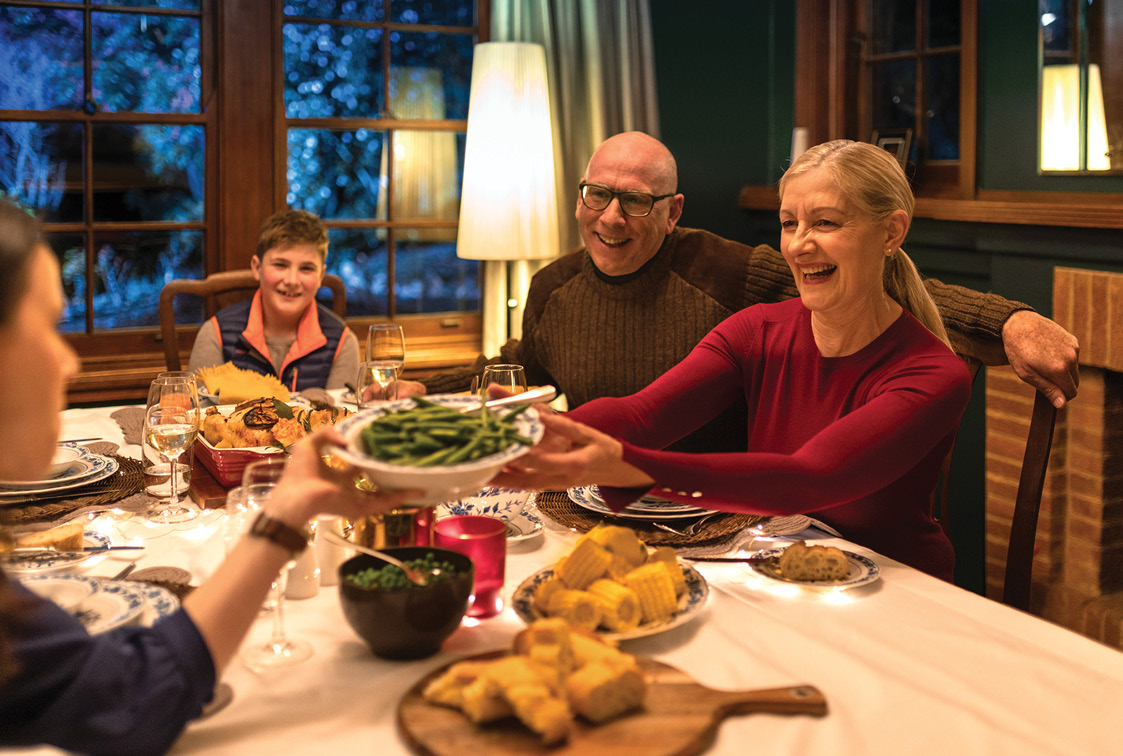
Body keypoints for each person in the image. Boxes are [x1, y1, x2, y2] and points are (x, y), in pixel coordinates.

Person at [0, 198, 419, 755]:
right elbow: (131, 702)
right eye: (50, 326)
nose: (70, 363)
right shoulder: (220, 332)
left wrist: (287, 509)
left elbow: (111, 690)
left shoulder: (339, 337)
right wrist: (283, 514)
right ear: (256, 267)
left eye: (307, 268)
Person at [403, 131, 1078, 453]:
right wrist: (421, 395)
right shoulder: (553, 285)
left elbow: (872, 278)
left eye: (635, 203)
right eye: (596, 195)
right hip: (604, 495)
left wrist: (1008, 319)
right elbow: (522, 372)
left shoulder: (724, 270)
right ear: (579, 197)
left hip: (721, 520)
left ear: (672, 212)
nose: (609, 218)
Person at [492, 139, 977, 581]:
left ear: (891, 232)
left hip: (897, 592)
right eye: (790, 223)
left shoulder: (934, 374)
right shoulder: (757, 330)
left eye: (825, 222)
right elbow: (643, 414)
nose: (800, 244)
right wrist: (532, 431)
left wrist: (629, 468)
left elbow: (810, 479)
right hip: (781, 571)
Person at [188, 208, 359, 391]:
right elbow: (200, 414)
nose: (292, 281)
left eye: (306, 268)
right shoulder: (215, 335)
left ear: (320, 276)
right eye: (280, 265)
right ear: (257, 267)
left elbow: (343, 417)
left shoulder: (343, 343)